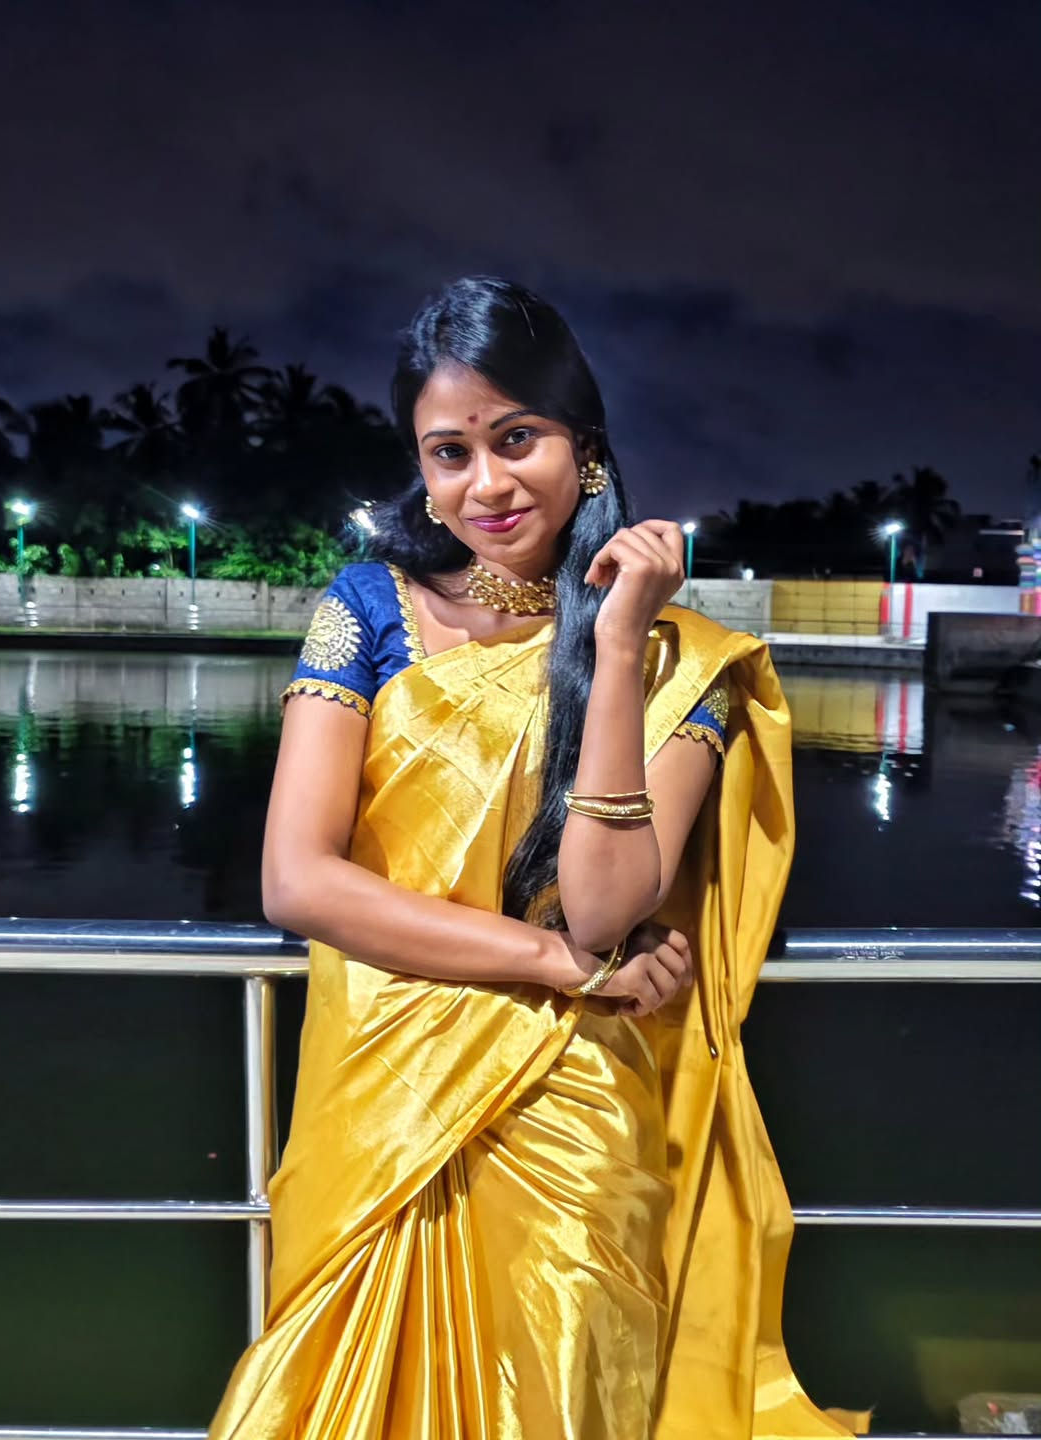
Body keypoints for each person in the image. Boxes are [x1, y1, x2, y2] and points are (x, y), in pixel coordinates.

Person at [210, 278, 859, 1439]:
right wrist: (550, 963)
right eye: (449, 452)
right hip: (378, 1107)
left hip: (573, 1117)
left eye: (518, 439)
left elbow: (604, 909)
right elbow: (297, 881)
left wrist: (615, 648)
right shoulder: (366, 611)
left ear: (587, 451)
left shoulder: (683, 660)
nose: (486, 484)